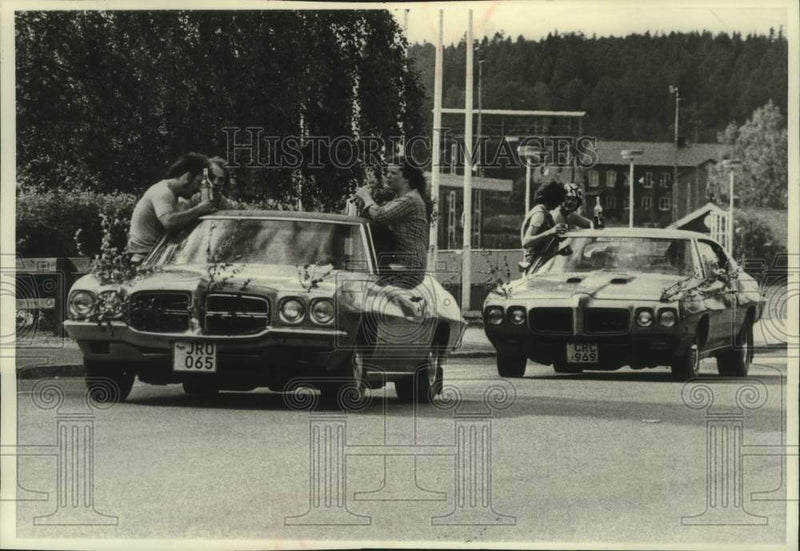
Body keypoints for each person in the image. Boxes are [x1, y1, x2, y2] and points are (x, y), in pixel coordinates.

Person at [127, 152, 216, 264]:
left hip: (155, 255)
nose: (199, 189)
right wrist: (200, 209)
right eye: (198, 182)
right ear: (188, 176)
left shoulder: (174, 195)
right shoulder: (162, 191)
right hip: (145, 257)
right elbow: (169, 222)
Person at [354, 157, 432, 274]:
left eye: (393, 173)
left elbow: (381, 215)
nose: (388, 176)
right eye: (387, 172)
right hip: (406, 266)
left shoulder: (410, 200)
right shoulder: (401, 199)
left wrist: (366, 197)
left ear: (406, 178)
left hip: (409, 267)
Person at [520, 181, 568, 269]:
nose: (559, 205)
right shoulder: (539, 214)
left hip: (541, 262)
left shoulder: (545, 213)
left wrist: (559, 252)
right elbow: (526, 242)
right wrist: (550, 232)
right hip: (535, 264)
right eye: (558, 201)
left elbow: (542, 248)